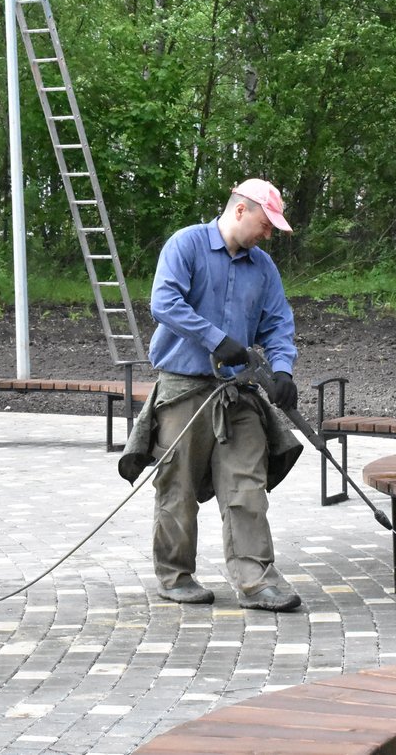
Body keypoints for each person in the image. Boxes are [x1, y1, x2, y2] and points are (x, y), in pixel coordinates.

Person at [118, 178, 304, 612]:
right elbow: (164, 302)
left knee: (246, 484)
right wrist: (217, 339)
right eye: (266, 223)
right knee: (177, 487)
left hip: (237, 393)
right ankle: (176, 575)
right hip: (184, 388)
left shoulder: (263, 267)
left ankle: (257, 580)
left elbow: (278, 324)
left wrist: (281, 371)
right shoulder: (186, 245)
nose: (269, 234)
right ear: (241, 210)